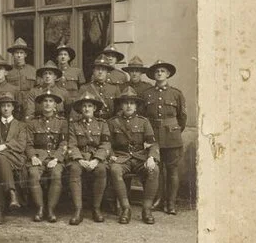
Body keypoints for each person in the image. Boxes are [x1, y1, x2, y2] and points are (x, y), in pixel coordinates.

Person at [107, 87, 160, 224]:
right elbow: (107, 143)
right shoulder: (113, 122)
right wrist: (111, 155)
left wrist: (151, 158)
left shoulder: (143, 121)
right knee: (114, 169)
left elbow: (152, 143)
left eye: (132, 103)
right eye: (125, 103)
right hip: (122, 158)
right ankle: (126, 208)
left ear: (136, 106)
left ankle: (147, 209)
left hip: (140, 158)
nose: (129, 106)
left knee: (154, 170)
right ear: (121, 105)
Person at [141, 59, 187, 215]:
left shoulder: (176, 93)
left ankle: (171, 203)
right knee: (156, 169)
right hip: (153, 135)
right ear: (153, 75)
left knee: (172, 170)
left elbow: (182, 117)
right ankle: (157, 200)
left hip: (172, 136)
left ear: (168, 74)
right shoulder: (147, 94)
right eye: (157, 71)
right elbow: (142, 116)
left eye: (162, 71)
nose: (159, 73)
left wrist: (174, 130)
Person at [66, 90, 111, 225]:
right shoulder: (74, 125)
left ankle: (96, 208)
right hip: (79, 158)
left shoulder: (102, 124)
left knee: (101, 170)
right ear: (80, 109)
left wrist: (96, 159)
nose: (86, 109)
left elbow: (106, 144)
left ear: (95, 108)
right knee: (74, 169)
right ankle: (78, 210)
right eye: (84, 106)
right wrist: (79, 159)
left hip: (96, 157)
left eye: (90, 106)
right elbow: (72, 144)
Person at [25, 89, 67, 223]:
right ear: (41, 104)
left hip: (55, 157)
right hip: (38, 156)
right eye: (45, 101)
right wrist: (32, 156)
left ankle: (51, 209)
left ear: (55, 105)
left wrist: (56, 159)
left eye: (51, 101)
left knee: (56, 174)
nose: (48, 104)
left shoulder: (62, 122)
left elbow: (64, 143)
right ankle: (40, 208)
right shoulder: (32, 122)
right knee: (33, 174)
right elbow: (28, 143)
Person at [0, 92, 26, 225]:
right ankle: (12, 195)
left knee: (0, 169)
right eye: (3, 106)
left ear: (13, 107)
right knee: (0, 160)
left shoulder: (21, 126)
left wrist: (2, 147)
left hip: (15, 159)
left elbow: (21, 145)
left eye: (9, 105)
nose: (6, 109)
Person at [78, 55, 120, 121]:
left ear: (107, 72)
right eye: (98, 69)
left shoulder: (114, 89)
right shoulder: (84, 88)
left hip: (110, 124)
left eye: (103, 70)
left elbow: (119, 110)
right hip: (91, 124)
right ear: (93, 71)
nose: (100, 72)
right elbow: (77, 111)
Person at [6, 38, 37, 106]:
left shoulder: (33, 71)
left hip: (29, 104)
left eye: (21, 53)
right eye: (17, 53)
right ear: (13, 55)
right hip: (12, 104)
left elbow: (38, 90)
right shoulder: (7, 71)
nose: (19, 55)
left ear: (25, 55)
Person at [55, 40, 86, 106]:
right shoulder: (54, 72)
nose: (63, 57)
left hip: (73, 102)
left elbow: (82, 89)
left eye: (65, 54)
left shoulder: (77, 71)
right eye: (60, 55)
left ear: (69, 58)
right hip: (58, 103)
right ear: (57, 58)